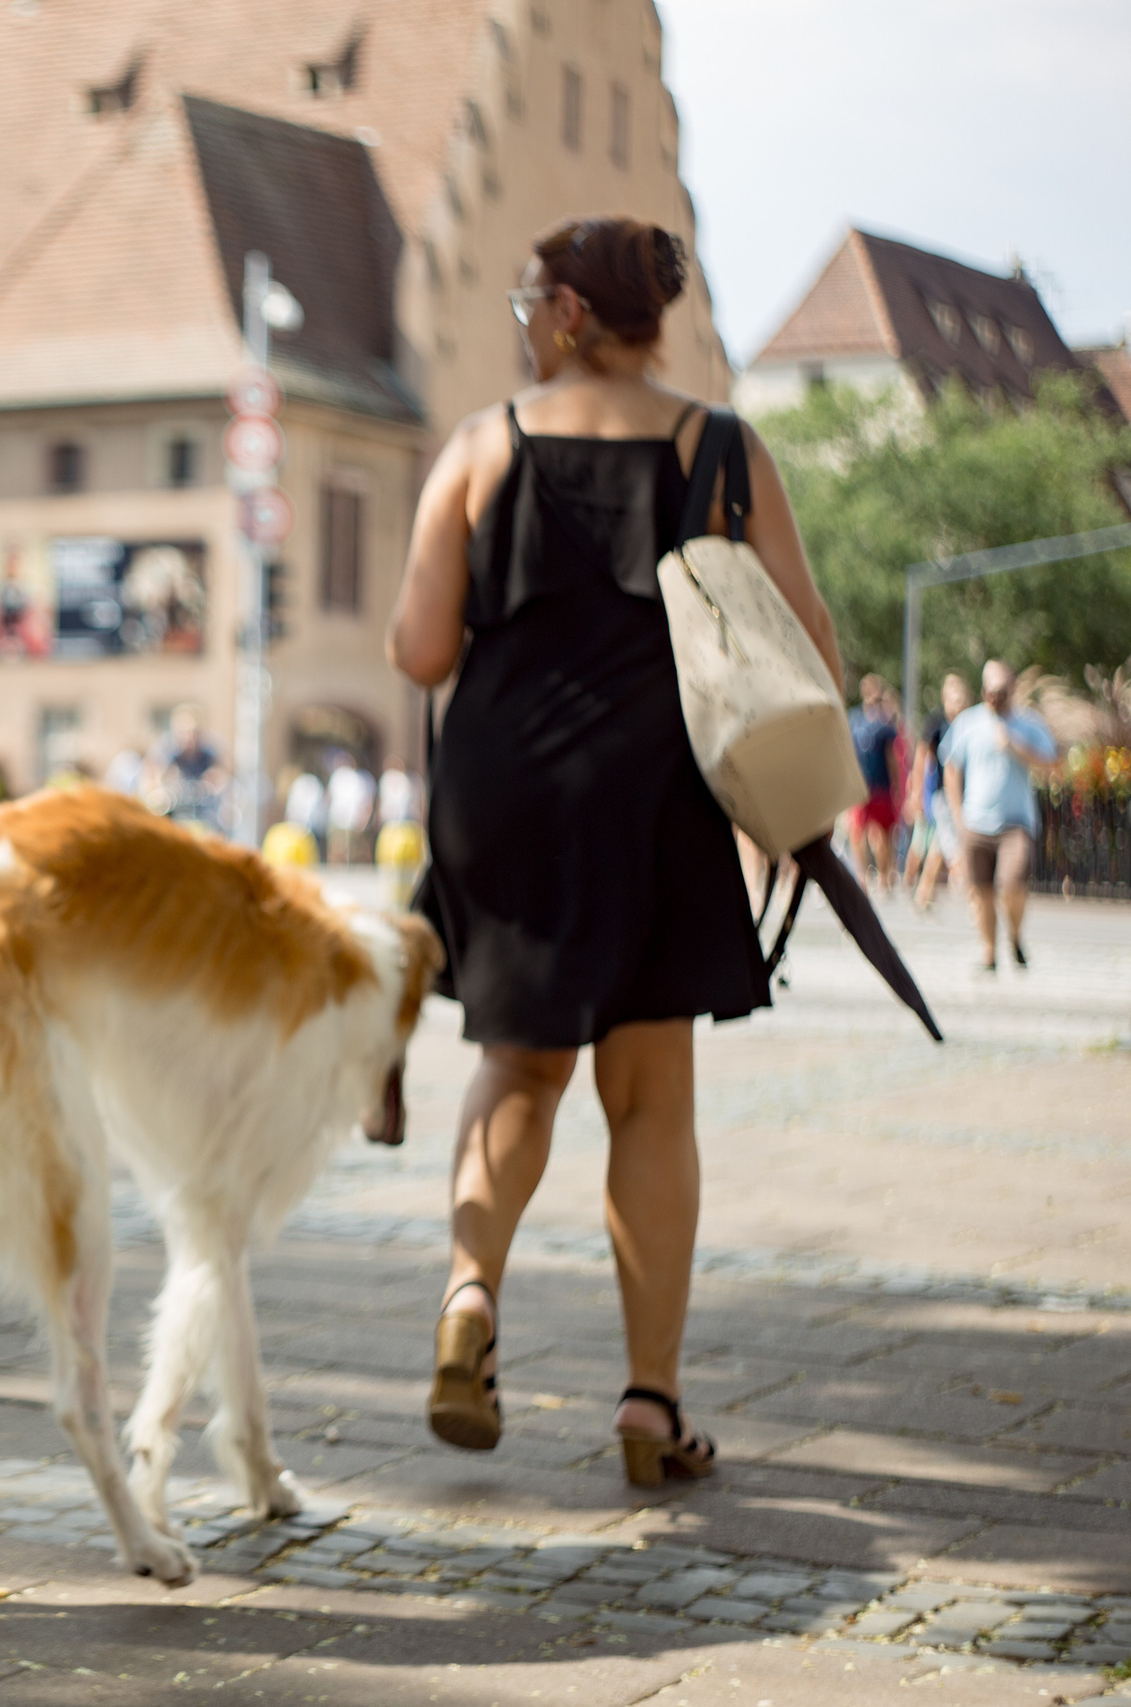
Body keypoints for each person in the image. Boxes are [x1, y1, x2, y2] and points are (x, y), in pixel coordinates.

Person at [386, 215, 844, 1485]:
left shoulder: (481, 445)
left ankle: (469, 1297)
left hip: (507, 794)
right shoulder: (723, 448)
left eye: (525, 305)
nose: (519, 329)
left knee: (517, 1070)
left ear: (570, 313)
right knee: (648, 1099)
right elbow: (805, 638)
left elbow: (421, 651)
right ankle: (648, 1406)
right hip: (657, 793)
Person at [940, 659, 1056, 972]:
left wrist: (1015, 745)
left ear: (1012, 688)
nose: (994, 697)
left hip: (1015, 822)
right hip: (975, 822)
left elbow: (1051, 763)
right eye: (989, 691)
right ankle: (989, 952)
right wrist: (957, 815)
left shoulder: (1028, 723)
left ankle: (1015, 936)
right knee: (981, 891)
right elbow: (951, 767)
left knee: (1012, 884)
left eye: (1000, 691)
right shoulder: (968, 722)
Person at [906, 673, 971, 910]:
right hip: (943, 796)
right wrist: (916, 793)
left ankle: (923, 894)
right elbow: (922, 757)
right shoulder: (936, 723)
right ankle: (973, 897)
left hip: (965, 795)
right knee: (954, 848)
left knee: (939, 846)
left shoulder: (969, 723)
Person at [845, 675, 902, 892]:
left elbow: (891, 757)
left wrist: (896, 785)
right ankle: (862, 875)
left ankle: (883, 876)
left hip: (881, 786)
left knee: (881, 834)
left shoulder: (885, 722)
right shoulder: (855, 719)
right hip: (861, 786)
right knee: (857, 831)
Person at [326, 755, 377, 864]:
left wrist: (362, 819)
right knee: (339, 849)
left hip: (349, 821)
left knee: (352, 850)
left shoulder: (356, 778)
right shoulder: (338, 777)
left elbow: (363, 801)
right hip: (340, 819)